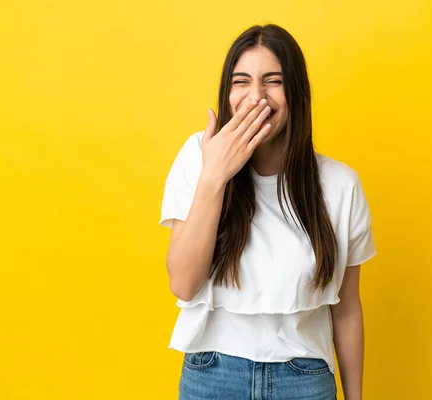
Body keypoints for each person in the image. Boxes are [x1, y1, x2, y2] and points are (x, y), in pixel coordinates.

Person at [159, 23, 376, 400]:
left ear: (296, 93)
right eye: (241, 81)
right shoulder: (198, 158)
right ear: (227, 94)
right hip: (212, 375)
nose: (255, 97)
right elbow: (183, 283)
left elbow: (347, 309)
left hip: (303, 378)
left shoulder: (341, 186)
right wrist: (215, 176)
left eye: (272, 81)